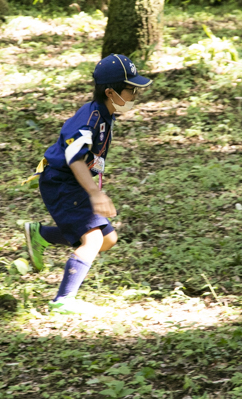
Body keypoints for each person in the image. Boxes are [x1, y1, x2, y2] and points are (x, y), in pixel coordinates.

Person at [22, 54, 152, 315]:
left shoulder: (106, 114)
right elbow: (73, 157)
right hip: (61, 182)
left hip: (72, 183)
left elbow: (92, 156)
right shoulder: (90, 118)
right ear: (110, 91)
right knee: (92, 239)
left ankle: (41, 235)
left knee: (108, 239)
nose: (135, 95)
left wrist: (96, 178)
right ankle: (63, 300)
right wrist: (95, 193)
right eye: (130, 89)